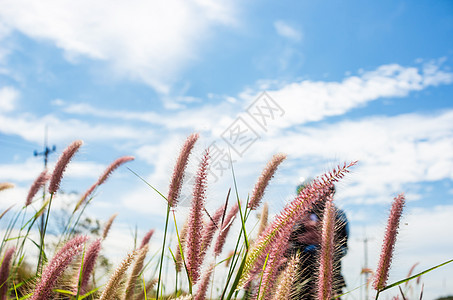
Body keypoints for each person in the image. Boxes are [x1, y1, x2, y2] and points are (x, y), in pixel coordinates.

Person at [286, 179, 349, 299]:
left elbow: (343, 247)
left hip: (329, 278)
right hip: (299, 277)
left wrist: (323, 242)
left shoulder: (338, 215)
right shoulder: (298, 217)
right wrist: (301, 240)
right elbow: (286, 244)